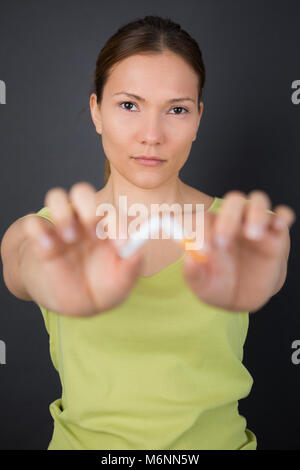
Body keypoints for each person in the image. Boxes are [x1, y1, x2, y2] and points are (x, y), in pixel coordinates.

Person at [1, 15, 296, 450]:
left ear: (198, 118)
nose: (152, 135)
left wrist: (263, 276)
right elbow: (25, 263)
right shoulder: (46, 234)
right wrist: (55, 278)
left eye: (176, 109)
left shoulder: (247, 230)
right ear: (96, 111)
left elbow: (268, 269)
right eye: (129, 105)